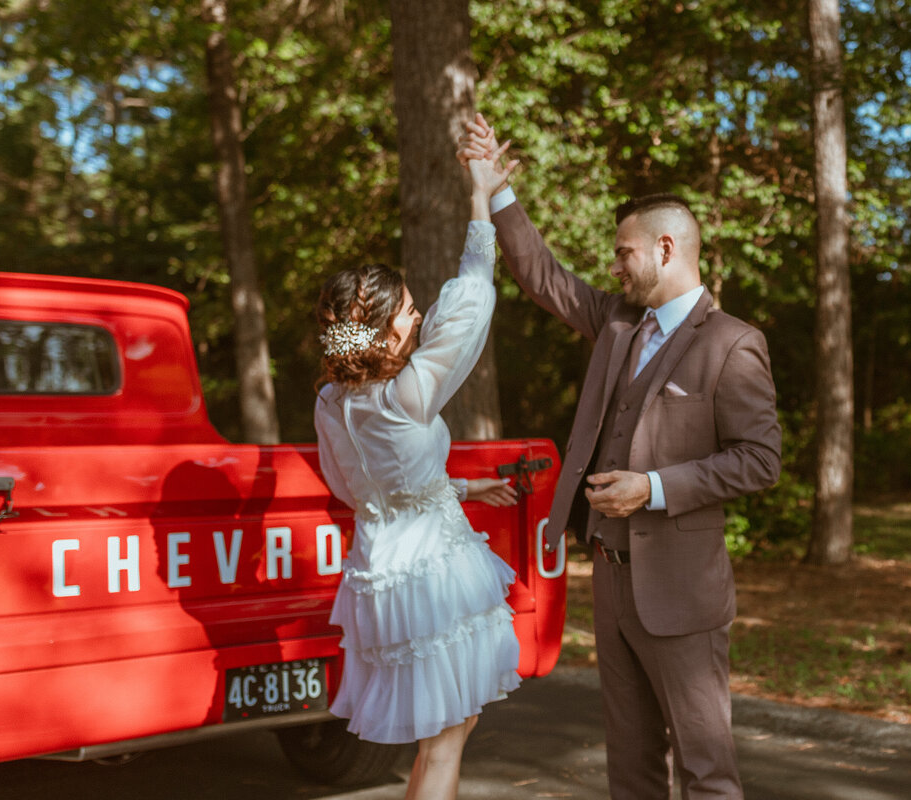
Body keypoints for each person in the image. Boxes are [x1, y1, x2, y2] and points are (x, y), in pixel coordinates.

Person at [460, 115, 782, 800]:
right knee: (630, 767)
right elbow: (543, 276)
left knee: (705, 770)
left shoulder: (732, 343)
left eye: (623, 253)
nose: (614, 265)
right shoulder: (616, 322)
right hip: (611, 581)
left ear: (667, 249)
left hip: (681, 592)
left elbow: (760, 459)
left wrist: (655, 487)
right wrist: (496, 191)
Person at [313, 145, 520, 800]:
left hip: (383, 574)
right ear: (383, 331)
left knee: (445, 735)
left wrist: (460, 487)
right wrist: (476, 198)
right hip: (435, 573)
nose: (418, 314)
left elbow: (361, 491)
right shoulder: (408, 395)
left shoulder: (332, 402)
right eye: (406, 309)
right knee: (447, 737)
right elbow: (472, 298)